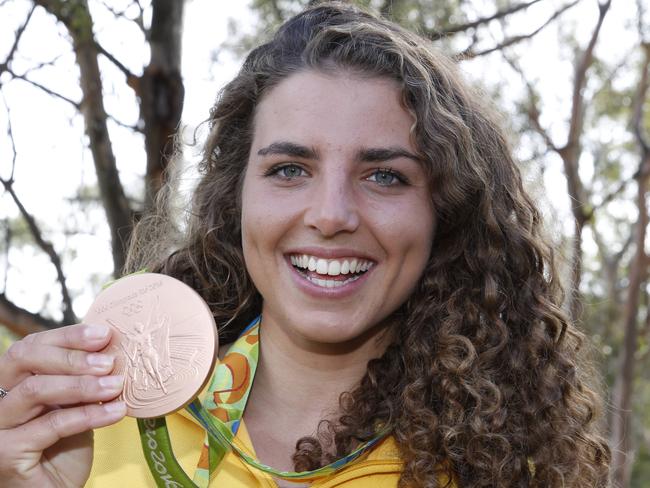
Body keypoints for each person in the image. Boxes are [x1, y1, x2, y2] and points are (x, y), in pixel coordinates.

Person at [0, 2, 611, 487]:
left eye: (384, 176)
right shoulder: (90, 432)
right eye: (290, 168)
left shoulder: (504, 469)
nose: (331, 215)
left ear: (443, 216)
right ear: (236, 197)